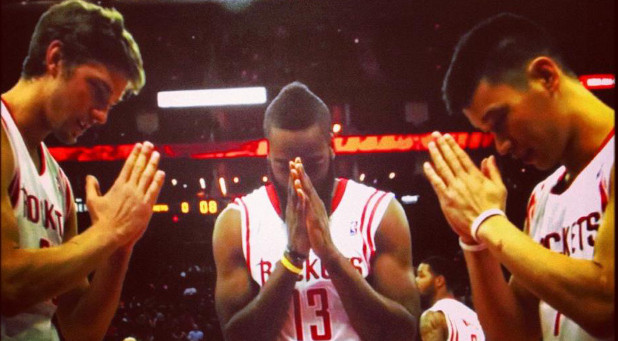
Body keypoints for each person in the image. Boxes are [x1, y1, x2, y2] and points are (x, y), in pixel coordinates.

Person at [423, 13, 614, 340]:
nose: (502, 146)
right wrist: (474, 241)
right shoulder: (542, 197)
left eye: (500, 121)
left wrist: (488, 220)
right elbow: (515, 334)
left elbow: (606, 305)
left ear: (545, 76)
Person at [1, 1, 165, 340]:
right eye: (98, 90)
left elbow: (80, 330)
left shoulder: (60, 184)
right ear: (55, 59)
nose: (103, 115)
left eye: (111, 103)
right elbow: (6, 285)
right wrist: (108, 232)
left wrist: (120, 248)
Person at [213, 81, 420, 340]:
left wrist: (331, 257)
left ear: (331, 147)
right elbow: (237, 338)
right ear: (268, 154)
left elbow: (403, 334)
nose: (300, 178)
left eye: (313, 164)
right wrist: (293, 258)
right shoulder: (236, 223)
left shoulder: (379, 213)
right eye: (283, 165)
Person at [415, 256, 485, 341]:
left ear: (439, 281)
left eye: (421, 276)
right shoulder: (475, 317)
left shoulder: (433, 316)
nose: (416, 280)